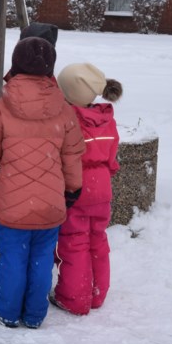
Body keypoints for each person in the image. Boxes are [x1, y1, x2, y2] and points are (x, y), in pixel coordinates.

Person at [0, 37, 85, 328]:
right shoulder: (63, 109)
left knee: (12, 260)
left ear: (16, 64)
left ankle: (7, 311)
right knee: (42, 261)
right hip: (49, 203)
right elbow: (72, 155)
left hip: (12, 204)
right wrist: (72, 190)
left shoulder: (0, 108)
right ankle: (35, 315)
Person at [51, 63, 123, 315]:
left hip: (77, 189)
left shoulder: (69, 120)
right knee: (98, 240)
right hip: (102, 189)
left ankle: (75, 298)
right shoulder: (105, 119)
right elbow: (112, 157)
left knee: (73, 243)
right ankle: (98, 293)